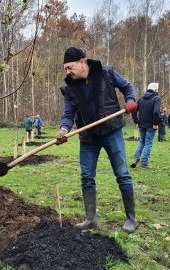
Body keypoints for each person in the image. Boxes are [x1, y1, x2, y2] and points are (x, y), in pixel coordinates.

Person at [56, 47, 138, 233]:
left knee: (122, 175)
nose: (68, 72)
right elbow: (68, 114)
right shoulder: (69, 88)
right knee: (87, 177)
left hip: (111, 132)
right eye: (66, 69)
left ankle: (131, 219)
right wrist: (63, 129)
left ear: (82, 62)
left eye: (70, 67)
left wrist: (130, 100)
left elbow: (127, 87)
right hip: (88, 138)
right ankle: (90, 218)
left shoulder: (106, 73)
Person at [130, 82, 160, 168]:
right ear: (155, 89)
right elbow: (156, 112)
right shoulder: (156, 98)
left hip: (142, 125)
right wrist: (155, 123)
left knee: (141, 142)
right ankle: (144, 163)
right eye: (157, 89)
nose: (158, 90)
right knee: (148, 143)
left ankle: (135, 159)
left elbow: (134, 110)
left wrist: (136, 121)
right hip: (151, 125)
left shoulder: (140, 99)